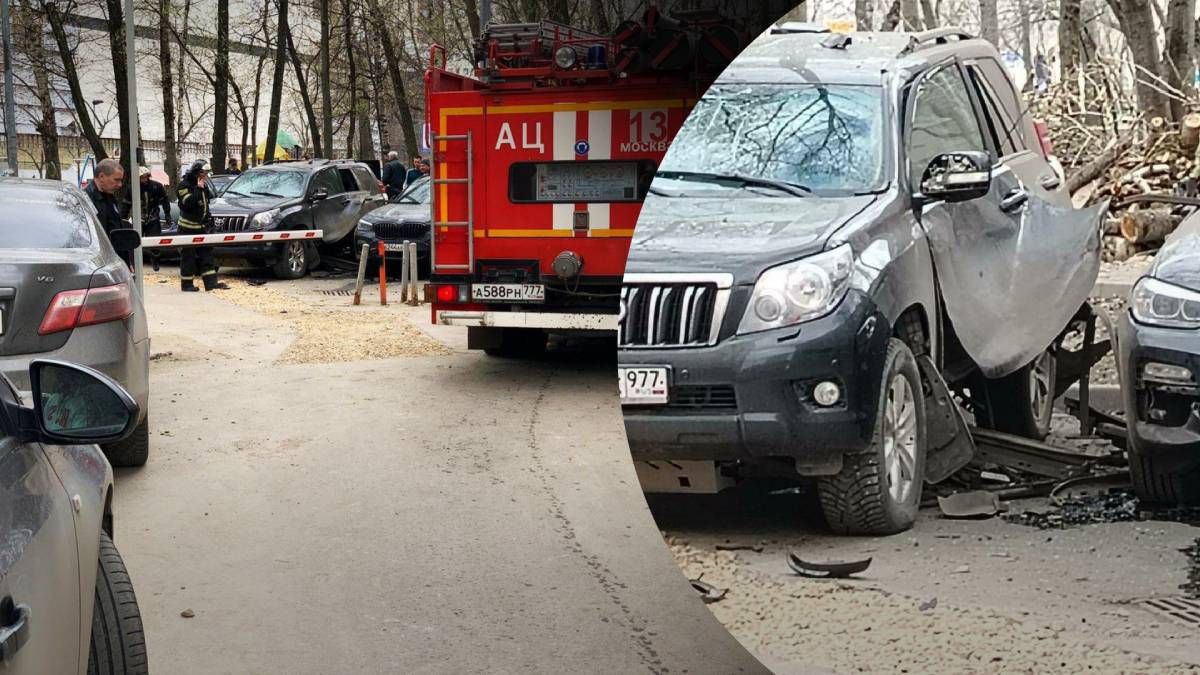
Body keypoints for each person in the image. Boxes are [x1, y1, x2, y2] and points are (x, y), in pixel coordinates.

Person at [176, 159, 229, 292]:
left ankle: (211, 283)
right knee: (188, 257)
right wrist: (198, 189)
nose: (206, 175)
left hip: (202, 228)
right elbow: (187, 204)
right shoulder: (184, 185)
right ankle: (187, 284)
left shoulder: (202, 185)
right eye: (203, 173)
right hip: (187, 228)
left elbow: (205, 204)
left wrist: (208, 220)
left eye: (206, 173)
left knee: (207, 256)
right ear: (196, 172)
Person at [85, 158, 131, 266]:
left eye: (121, 180)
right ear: (101, 177)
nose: (120, 185)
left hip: (115, 261)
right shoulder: (86, 200)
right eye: (116, 180)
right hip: (99, 263)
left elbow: (117, 231)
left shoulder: (110, 197)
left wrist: (127, 262)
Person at [136, 166, 170, 272]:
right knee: (135, 241)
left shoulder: (157, 186)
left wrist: (167, 215)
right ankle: (135, 261)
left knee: (155, 241)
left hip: (153, 218)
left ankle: (155, 260)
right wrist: (123, 217)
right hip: (138, 219)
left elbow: (165, 201)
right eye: (141, 177)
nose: (144, 179)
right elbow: (126, 203)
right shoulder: (133, 187)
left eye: (145, 177)